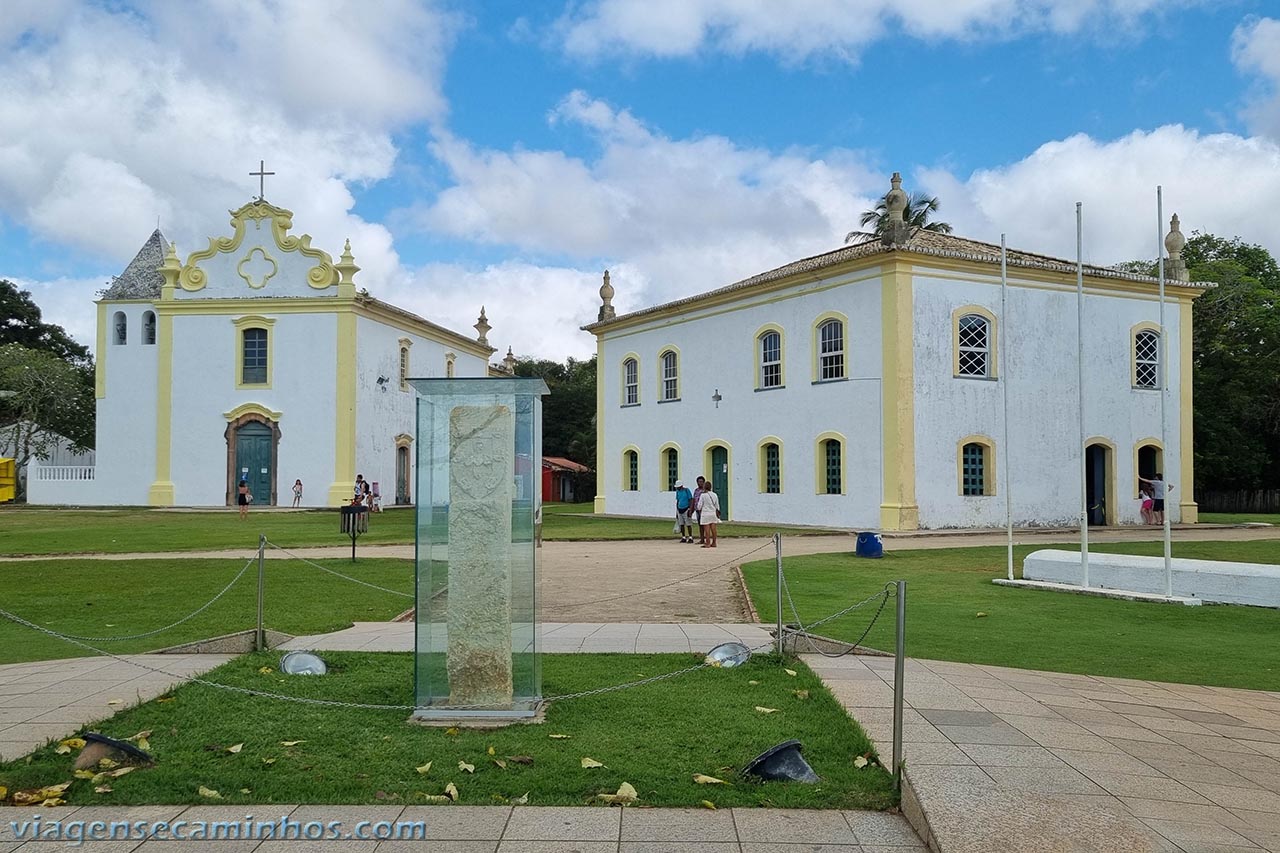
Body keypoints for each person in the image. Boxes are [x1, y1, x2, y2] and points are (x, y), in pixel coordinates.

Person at [697, 483, 721, 548]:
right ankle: (714, 542)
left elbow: (699, 506)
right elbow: (717, 505)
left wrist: (699, 509)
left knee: (707, 529)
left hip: (705, 513)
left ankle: (707, 543)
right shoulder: (714, 495)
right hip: (713, 513)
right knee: (713, 529)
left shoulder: (703, 495)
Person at [691, 476, 707, 544]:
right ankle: (702, 539)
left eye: (701, 482)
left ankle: (707, 539)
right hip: (697, 510)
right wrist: (691, 509)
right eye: (698, 482)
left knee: (705, 525)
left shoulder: (705, 491)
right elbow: (694, 500)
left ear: (703, 482)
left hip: (704, 510)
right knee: (700, 525)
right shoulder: (696, 490)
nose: (699, 483)